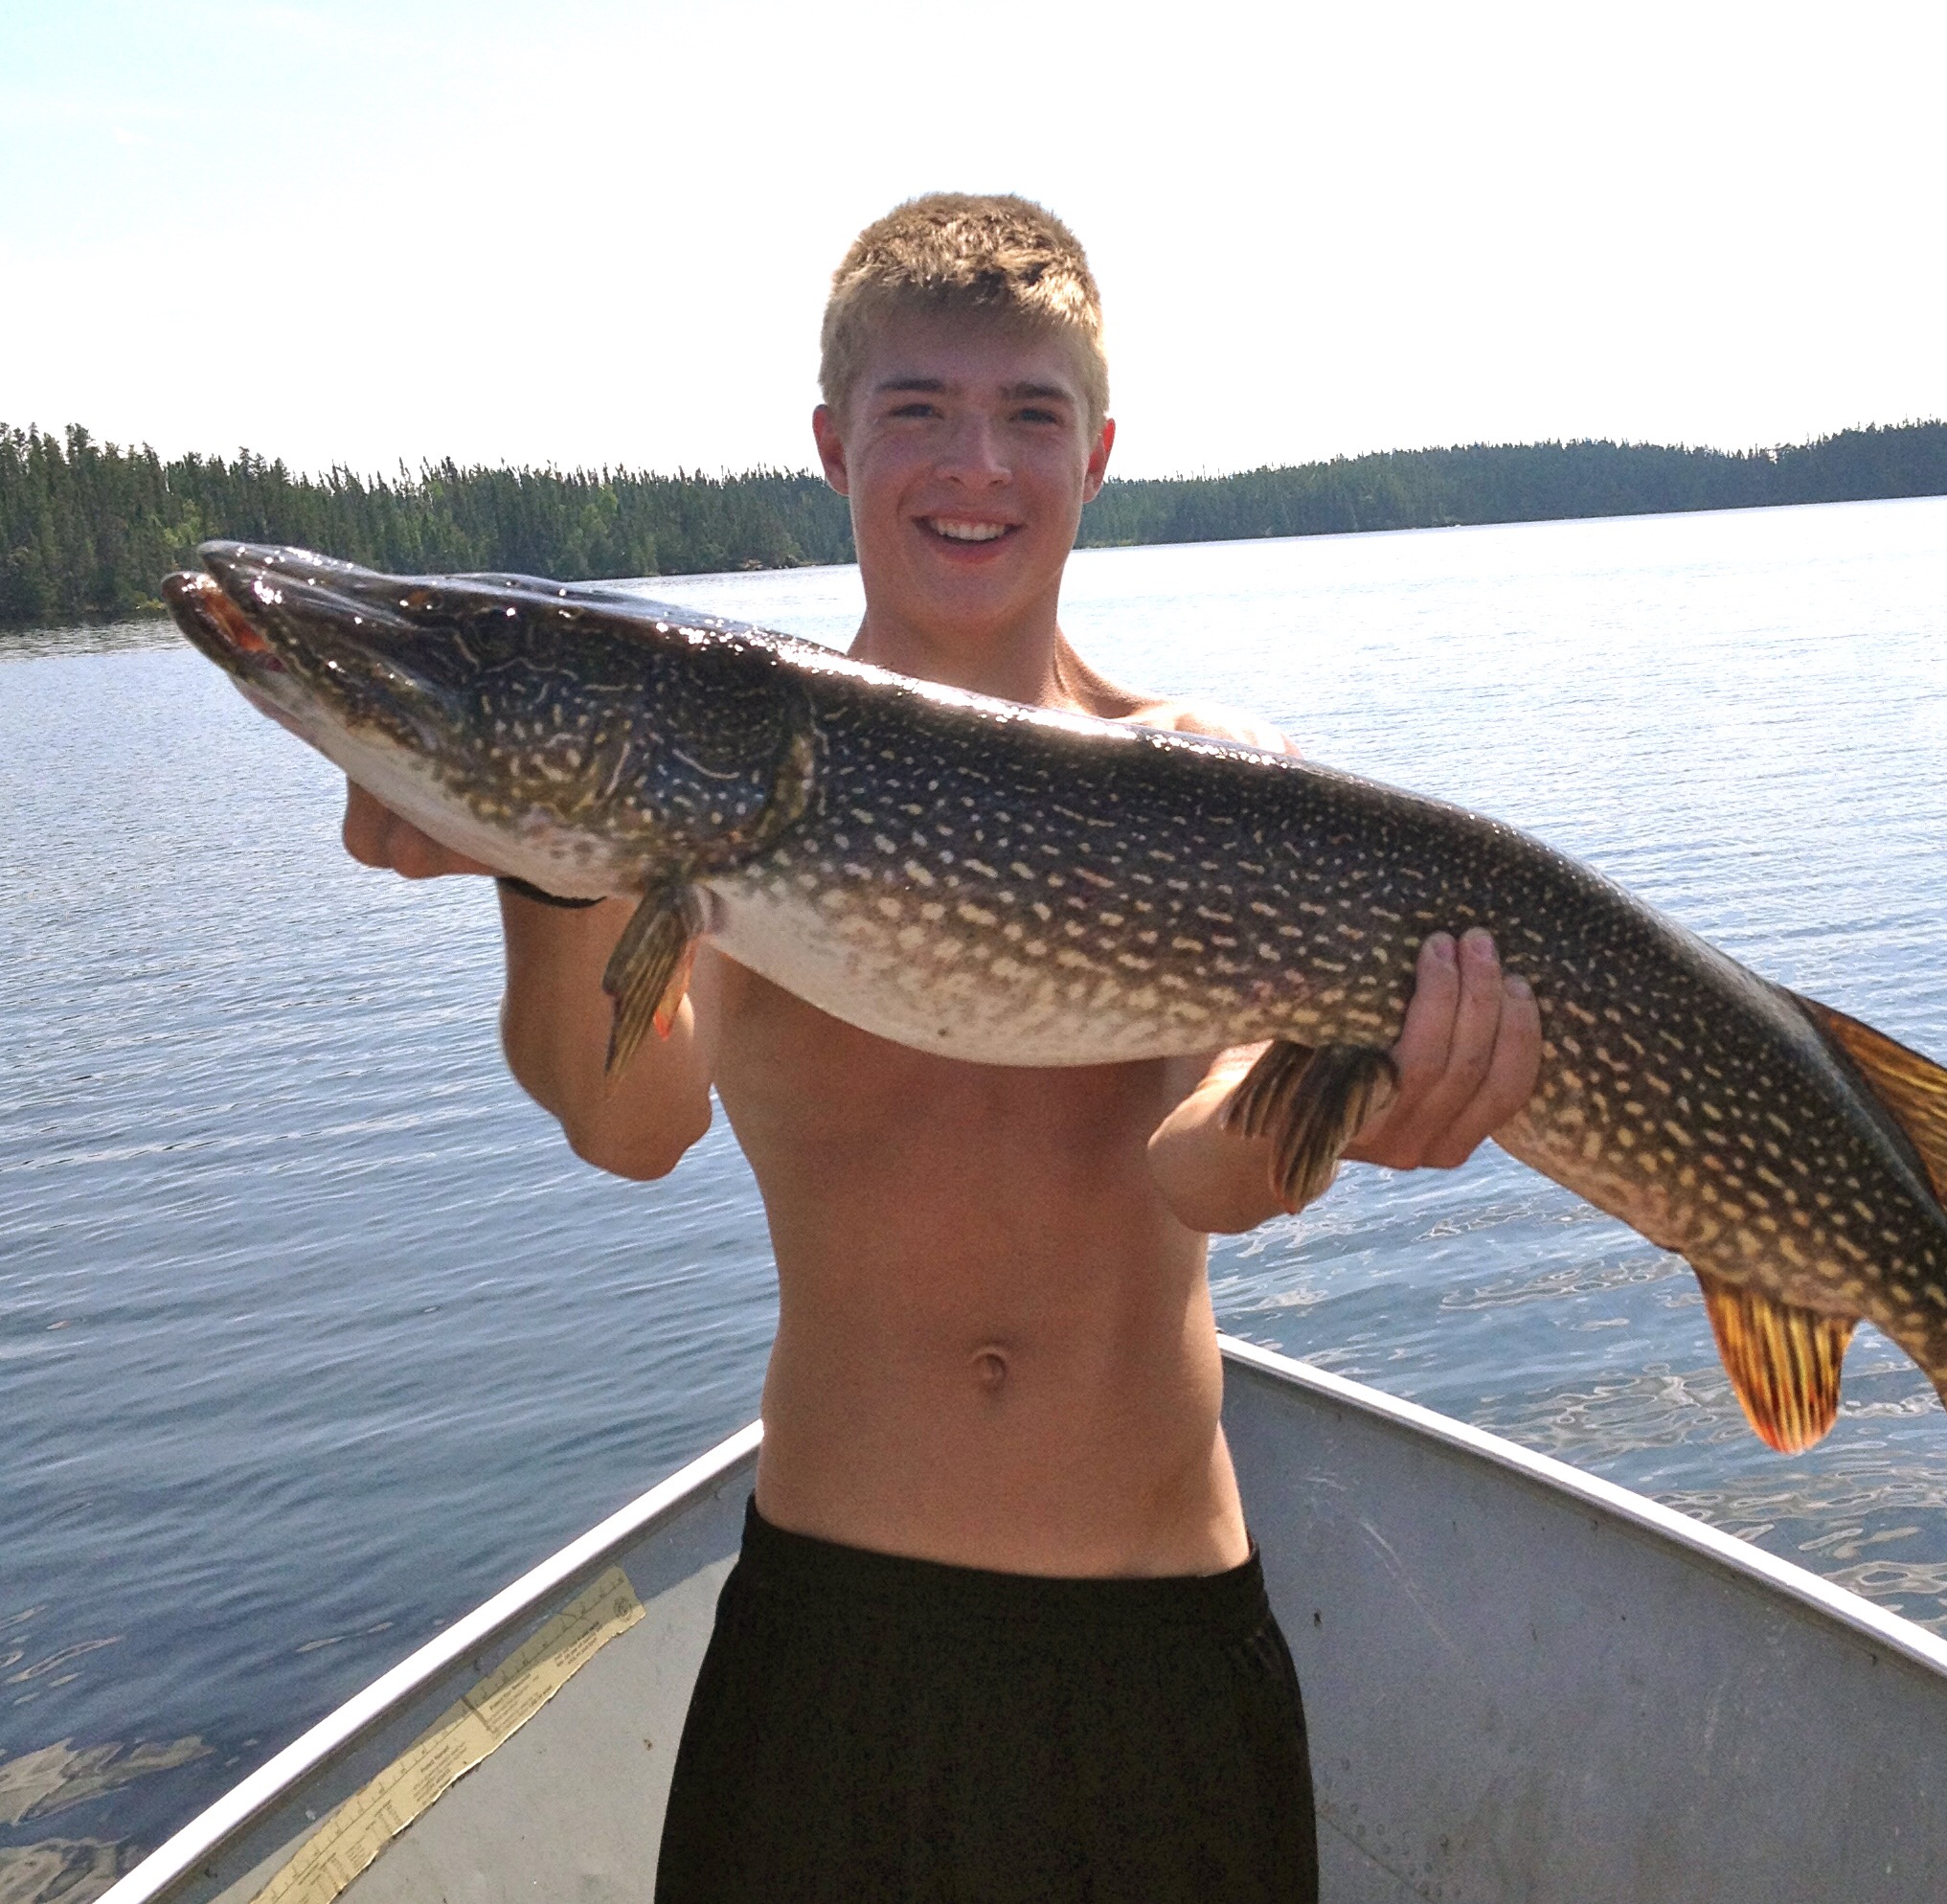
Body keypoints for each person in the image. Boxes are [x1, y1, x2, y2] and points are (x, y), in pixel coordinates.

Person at [341, 194, 1542, 1902]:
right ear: (834, 445)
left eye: (1027, 417)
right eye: (919, 411)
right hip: (832, 1637)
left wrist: (1357, 1103)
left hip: (1159, 1647)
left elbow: (1195, 1162)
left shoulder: (1213, 780)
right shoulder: (723, 773)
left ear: (1098, 453)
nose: (973, 465)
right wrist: (544, 870)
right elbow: (627, 1121)